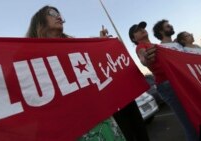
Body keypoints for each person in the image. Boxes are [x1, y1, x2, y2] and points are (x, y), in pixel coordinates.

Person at [27, 5, 149, 141]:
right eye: (52, 13)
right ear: (39, 22)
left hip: (100, 120)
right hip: (71, 126)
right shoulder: (28, 58)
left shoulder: (76, 47)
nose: (59, 16)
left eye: (59, 13)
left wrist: (103, 45)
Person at [129, 21, 198, 141]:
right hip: (167, 85)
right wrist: (145, 59)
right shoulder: (141, 47)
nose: (141, 30)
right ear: (133, 38)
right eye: (137, 30)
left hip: (176, 81)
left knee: (195, 116)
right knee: (189, 123)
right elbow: (143, 58)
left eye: (142, 28)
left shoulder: (158, 46)